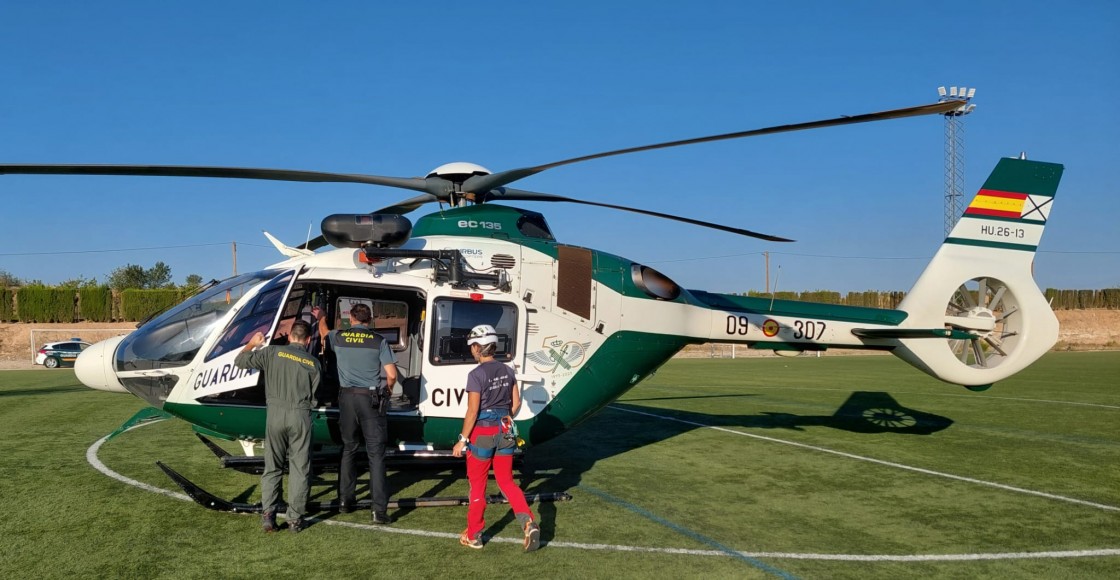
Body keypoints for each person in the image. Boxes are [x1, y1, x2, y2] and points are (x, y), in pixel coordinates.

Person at [452, 324, 541, 551]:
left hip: (482, 432)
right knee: (507, 482)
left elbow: (472, 412)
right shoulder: (508, 370)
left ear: (478, 347)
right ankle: (528, 522)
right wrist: (504, 418)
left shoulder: (475, 375)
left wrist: (462, 439)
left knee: (478, 486)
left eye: (473, 346)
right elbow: (516, 403)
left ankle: (474, 535)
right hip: (506, 429)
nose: (472, 350)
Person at [233, 320, 321, 534]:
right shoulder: (313, 363)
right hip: (300, 415)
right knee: (300, 469)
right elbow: (315, 396)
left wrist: (252, 343)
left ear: (290, 336)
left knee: (272, 467)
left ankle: (268, 515)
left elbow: (240, 361)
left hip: (275, 415)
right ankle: (295, 519)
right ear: (308, 340)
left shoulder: (272, 352)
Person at [319, 303, 397, 525]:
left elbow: (323, 333)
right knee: (376, 454)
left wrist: (322, 317)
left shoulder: (338, 336)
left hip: (346, 399)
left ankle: (345, 500)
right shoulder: (379, 341)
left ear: (351, 318)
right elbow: (391, 374)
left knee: (349, 449)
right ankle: (378, 511)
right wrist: (388, 392)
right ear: (369, 320)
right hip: (370, 399)